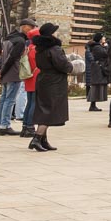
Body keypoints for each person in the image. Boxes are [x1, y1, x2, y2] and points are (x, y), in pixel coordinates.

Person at [28, 24, 70, 152]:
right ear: (51, 34)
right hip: (54, 82)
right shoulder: (54, 48)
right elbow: (62, 64)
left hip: (43, 79)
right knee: (49, 110)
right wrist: (71, 67)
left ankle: (43, 140)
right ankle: (37, 138)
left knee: (43, 108)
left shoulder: (40, 48)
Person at [0, 28, 31, 136]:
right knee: (9, 100)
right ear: (25, 27)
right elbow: (13, 57)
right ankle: (5, 125)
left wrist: (2, 70)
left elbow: (4, 57)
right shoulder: (20, 41)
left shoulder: (8, 40)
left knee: (4, 100)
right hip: (13, 73)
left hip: (7, 74)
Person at [83, 36, 108, 112]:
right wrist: (106, 47)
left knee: (94, 86)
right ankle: (92, 105)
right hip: (94, 70)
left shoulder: (94, 47)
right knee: (94, 87)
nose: (104, 39)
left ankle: (93, 105)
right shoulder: (95, 48)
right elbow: (103, 55)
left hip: (93, 69)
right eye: (103, 38)